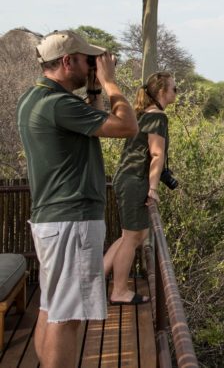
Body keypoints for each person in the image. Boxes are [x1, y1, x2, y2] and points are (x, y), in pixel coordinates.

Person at [16, 30, 138, 368]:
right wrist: (111, 83)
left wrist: (95, 89)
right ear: (67, 61)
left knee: (52, 307)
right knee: (68, 317)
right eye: (88, 61)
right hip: (72, 218)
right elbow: (128, 126)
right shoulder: (59, 105)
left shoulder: (35, 98)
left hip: (53, 218)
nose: (92, 68)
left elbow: (91, 125)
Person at [103, 72, 177, 305]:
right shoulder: (157, 117)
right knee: (133, 237)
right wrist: (153, 189)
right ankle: (119, 291)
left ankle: (95, 280)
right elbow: (156, 155)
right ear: (162, 92)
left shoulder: (144, 114)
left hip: (127, 177)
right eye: (175, 89)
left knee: (132, 234)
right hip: (135, 180)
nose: (177, 93)